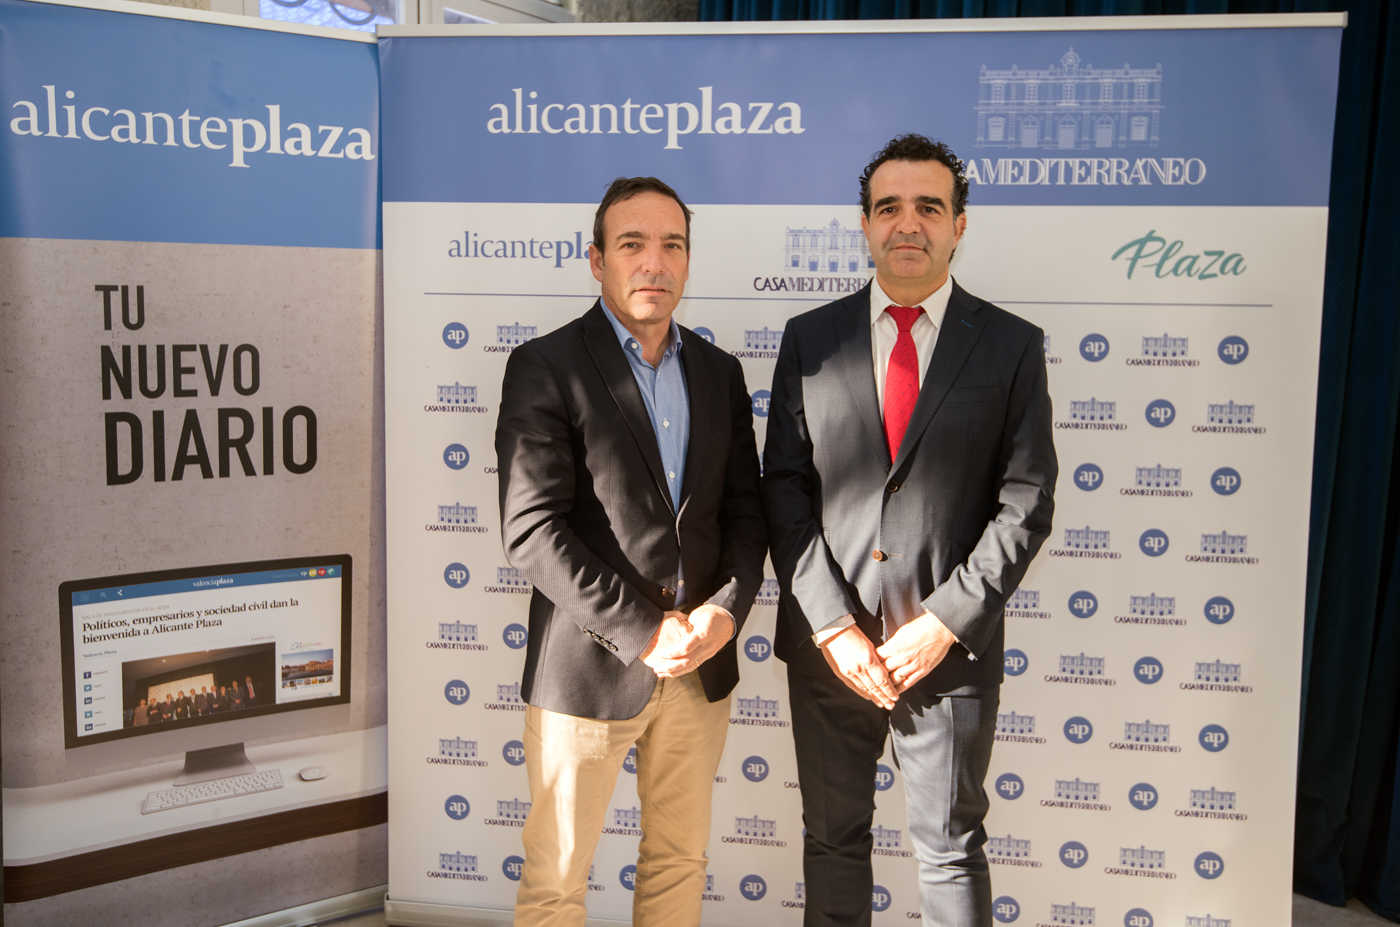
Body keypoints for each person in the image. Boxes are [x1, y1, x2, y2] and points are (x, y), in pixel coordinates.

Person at [762, 134, 1057, 927]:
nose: (908, 223)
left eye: (929, 206)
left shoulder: (1010, 346)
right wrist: (831, 626)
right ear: (863, 225)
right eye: (889, 207)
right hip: (832, 653)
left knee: (950, 848)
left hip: (947, 652)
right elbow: (784, 494)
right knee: (831, 842)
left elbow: (1026, 499)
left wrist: (944, 621)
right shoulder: (809, 340)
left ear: (960, 224)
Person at [495, 175, 766, 927]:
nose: (655, 262)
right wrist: (646, 630)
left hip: (699, 672)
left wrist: (725, 613)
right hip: (587, 672)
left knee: (679, 864)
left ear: (688, 259)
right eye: (633, 244)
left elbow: (746, 513)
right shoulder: (547, 366)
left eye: (671, 244)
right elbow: (531, 528)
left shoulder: (720, 373)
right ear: (596, 260)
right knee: (557, 883)